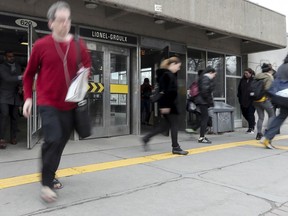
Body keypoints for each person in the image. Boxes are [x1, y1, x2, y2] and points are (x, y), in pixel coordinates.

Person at [22, 1, 91, 202]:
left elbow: (87, 67)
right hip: (48, 102)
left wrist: (84, 75)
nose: (65, 24)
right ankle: (45, 184)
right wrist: (28, 98)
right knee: (52, 139)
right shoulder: (41, 45)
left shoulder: (79, 44)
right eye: (61, 20)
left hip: (70, 104)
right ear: (51, 23)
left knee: (59, 143)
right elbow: (28, 75)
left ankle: (50, 175)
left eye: (68, 20)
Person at [141, 56, 188, 155]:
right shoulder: (167, 75)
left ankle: (146, 138)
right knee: (174, 125)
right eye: (178, 66)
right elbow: (165, 92)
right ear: (173, 64)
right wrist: (165, 106)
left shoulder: (167, 74)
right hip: (169, 105)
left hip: (168, 104)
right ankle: (176, 147)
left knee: (164, 126)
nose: (178, 68)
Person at [261, 54, 288, 149]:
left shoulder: (282, 66)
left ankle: (267, 137)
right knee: (281, 116)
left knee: (281, 116)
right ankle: (267, 137)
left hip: (280, 95)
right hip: (286, 95)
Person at [0, 51, 23, 149]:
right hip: (3, 95)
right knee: (4, 116)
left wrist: (21, 86)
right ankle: (1, 139)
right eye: (9, 56)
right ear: (5, 57)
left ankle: (13, 137)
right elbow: (7, 78)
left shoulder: (17, 66)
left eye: (12, 56)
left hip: (15, 95)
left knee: (15, 117)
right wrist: (22, 76)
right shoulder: (1, 67)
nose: (11, 58)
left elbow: (20, 81)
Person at [253, 63, 276, 140]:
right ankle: (267, 132)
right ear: (269, 70)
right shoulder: (269, 77)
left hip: (255, 100)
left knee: (260, 117)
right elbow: (268, 89)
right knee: (272, 115)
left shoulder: (257, 76)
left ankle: (259, 133)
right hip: (264, 99)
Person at [194, 66, 216, 143]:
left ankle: (202, 136)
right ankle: (201, 137)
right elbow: (205, 91)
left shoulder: (203, 78)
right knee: (205, 118)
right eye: (214, 74)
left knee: (205, 118)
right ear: (210, 72)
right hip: (203, 101)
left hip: (202, 101)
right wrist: (210, 101)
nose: (214, 76)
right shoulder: (205, 79)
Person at [237, 68, 256, 134]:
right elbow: (239, 90)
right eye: (244, 73)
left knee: (250, 114)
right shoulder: (242, 80)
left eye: (247, 73)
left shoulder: (254, 80)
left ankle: (251, 128)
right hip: (243, 100)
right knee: (244, 114)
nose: (245, 75)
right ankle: (252, 123)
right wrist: (239, 98)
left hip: (251, 101)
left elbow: (256, 89)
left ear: (250, 73)